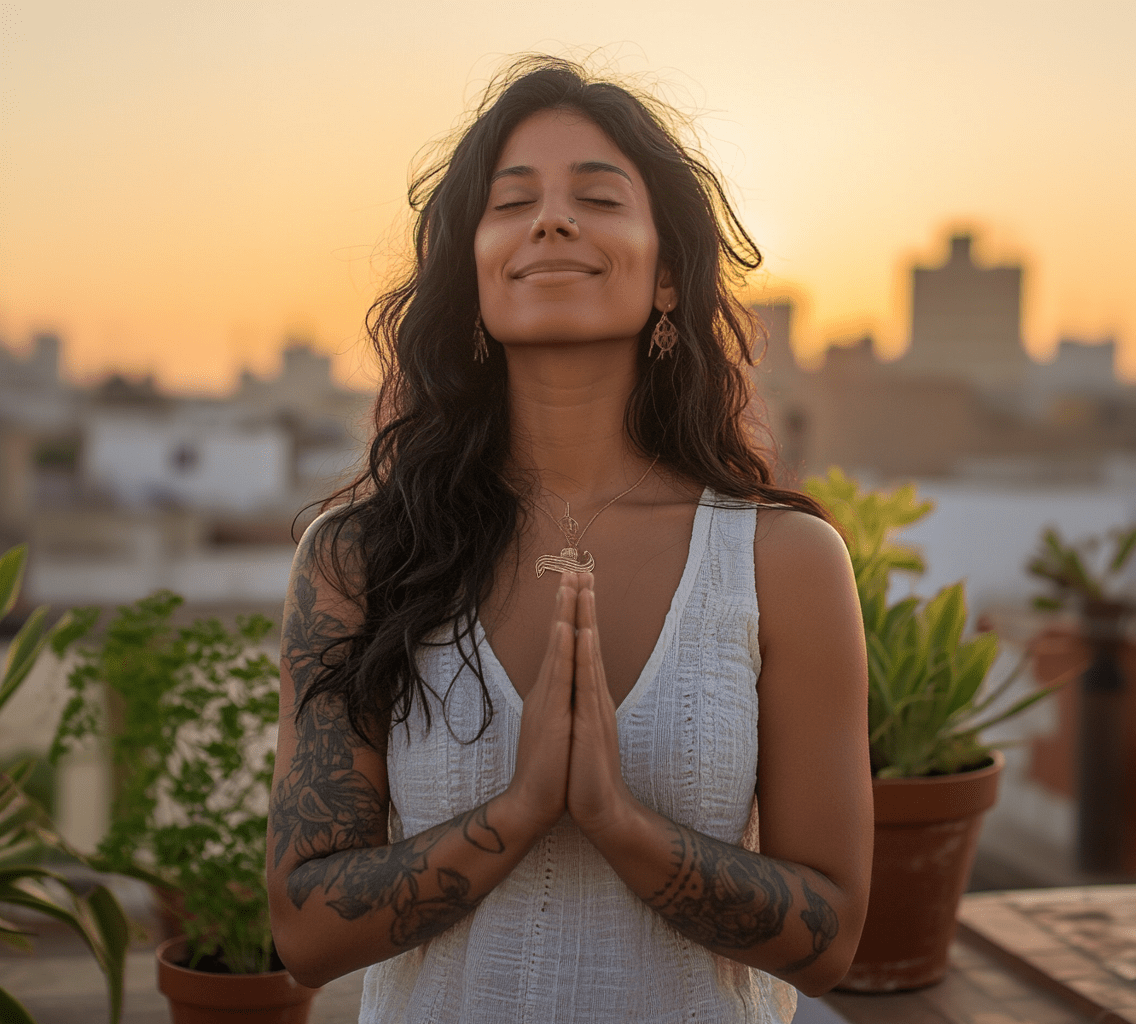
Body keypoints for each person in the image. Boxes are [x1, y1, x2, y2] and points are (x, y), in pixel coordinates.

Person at [267, 55, 872, 1023]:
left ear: (666, 273)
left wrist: (616, 822)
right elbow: (302, 930)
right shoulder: (355, 561)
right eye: (511, 203)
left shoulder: (781, 564)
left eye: (596, 196)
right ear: (472, 272)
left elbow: (830, 937)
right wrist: (510, 816)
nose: (551, 220)